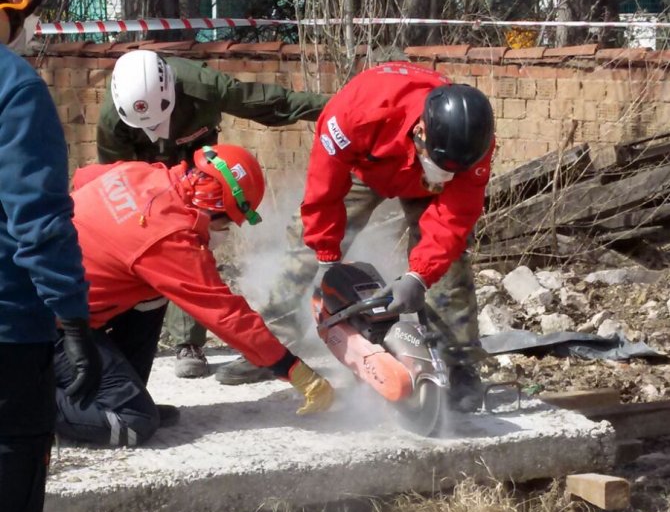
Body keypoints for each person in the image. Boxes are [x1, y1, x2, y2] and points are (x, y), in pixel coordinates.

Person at [217, 62, 495, 413]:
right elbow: (324, 192)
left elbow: (453, 221)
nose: (447, 173)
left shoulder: (473, 144)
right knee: (304, 243)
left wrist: (419, 275)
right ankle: (269, 347)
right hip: (366, 166)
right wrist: (325, 256)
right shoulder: (354, 114)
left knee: (450, 262)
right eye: (441, 164)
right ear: (421, 131)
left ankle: (458, 365)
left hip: (430, 186)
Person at [55, 144, 334, 446]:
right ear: (214, 207)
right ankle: (24, 400)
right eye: (227, 221)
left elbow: (83, 178)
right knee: (133, 422)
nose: (227, 231)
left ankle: (114, 393)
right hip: (44, 326)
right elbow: (225, 314)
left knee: (152, 296)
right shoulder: (168, 237)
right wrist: (292, 369)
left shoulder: (143, 173)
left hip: (57, 304)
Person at [0, 0, 101, 512]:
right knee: (6, 505)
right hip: (8, 334)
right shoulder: (15, 91)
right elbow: (37, 221)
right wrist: (72, 320)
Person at [98, 49, 329, 380]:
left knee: (195, 235)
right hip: (144, 170)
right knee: (146, 238)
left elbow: (270, 102)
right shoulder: (114, 119)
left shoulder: (203, 85)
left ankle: (189, 343)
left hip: (197, 160)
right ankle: (122, 336)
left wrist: (335, 109)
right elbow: (115, 179)